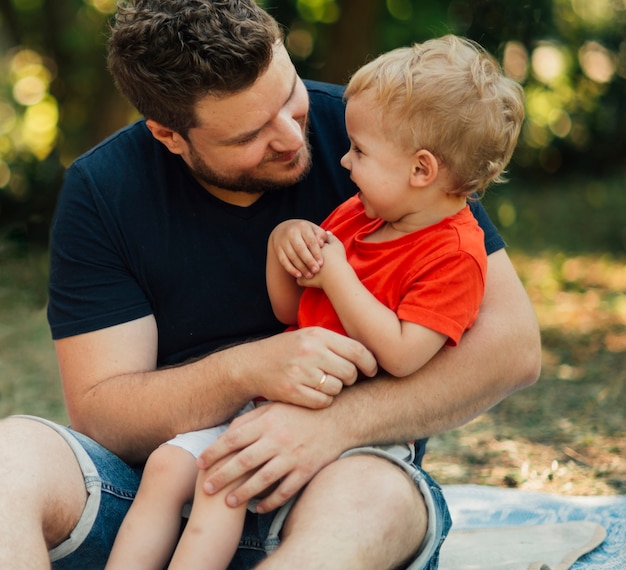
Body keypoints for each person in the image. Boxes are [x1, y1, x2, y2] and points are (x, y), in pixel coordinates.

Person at [0, 0, 541, 570]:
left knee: (376, 501)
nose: (292, 136)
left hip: (334, 488)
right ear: (169, 135)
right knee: (10, 457)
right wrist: (246, 371)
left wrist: (336, 425)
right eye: (251, 134)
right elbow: (103, 413)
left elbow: (513, 348)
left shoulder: (379, 132)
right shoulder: (104, 190)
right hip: (157, 495)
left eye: (288, 95)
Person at [105, 34, 524, 570]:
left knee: (221, 483)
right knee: (168, 466)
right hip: (281, 404)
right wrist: (285, 245)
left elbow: (401, 355)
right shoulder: (360, 213)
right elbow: (290, 310)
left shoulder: (456, 255)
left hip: (361, 436)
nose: (344, 161)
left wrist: (338, 275)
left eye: (361, 151)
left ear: (422, 170)